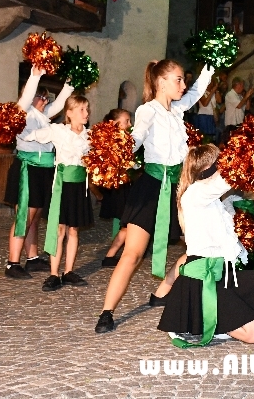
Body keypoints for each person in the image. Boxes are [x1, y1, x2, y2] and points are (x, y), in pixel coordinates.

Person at [95, 61, 214, 334]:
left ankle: (162, 291)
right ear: (161, 82)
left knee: (196, 247)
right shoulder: (147, 110)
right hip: (150, 187)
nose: (183, 86)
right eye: (179, 80)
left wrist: (210, 66)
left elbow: (195, 93)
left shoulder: (178, 110)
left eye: (184, 81)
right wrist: (119, 152)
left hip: (178, 188)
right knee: (133, 254)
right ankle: (106, 311)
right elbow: (136, 137)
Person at [157, 144, 254, 346]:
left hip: (223, 273)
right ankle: (211, 321)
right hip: (203, 280)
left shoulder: (213, 198)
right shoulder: (195, 194)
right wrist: (250, 154)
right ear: (209, 166)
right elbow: (226, 179)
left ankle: (226, 316)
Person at [3, 67, 74, 279]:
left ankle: (32, 258)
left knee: (35, 217)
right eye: (40, 97)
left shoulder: (43, 116)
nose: (44, 100)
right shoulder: (22, 112)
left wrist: (70, 83)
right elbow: (26, 99)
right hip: (28, 168)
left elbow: (60, 104)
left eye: (45, 97)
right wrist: (35, 75)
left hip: (44, 169)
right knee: (24, 215)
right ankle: (12, 263)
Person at [20, 94, 94, 291]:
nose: (86, 113)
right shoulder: (58, 130)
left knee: (74, 230)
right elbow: (32, 134)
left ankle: (68, 271)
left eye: (87, 109)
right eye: (81, 110)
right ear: (69, 113)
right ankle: (54, 274)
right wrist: (15, 130)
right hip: (61, 185)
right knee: (59, 229)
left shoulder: (90, 136)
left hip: (79, 187)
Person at [100, 109, 134, 268]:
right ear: (115, 123)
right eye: (126, 121)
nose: (130, 124)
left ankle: (113, 255)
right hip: (118, 187)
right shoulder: (111, 141)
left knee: (127, 223)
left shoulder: (124, 139)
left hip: (124, 186)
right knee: (129, 223)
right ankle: (110, 256)